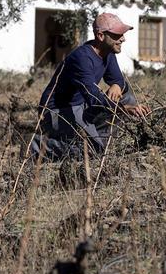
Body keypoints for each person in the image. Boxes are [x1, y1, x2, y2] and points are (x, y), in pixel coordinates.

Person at [30, 12, 150, 162]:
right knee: (93, 150)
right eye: (117, 35)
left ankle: (99, 141)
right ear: (100, 36)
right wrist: (124, 108)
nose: (123, 39)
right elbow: (93, 98)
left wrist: (117, 85)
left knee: (128, 98)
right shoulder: (82, 59)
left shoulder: (108, 52)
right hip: (56, 112)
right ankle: (36, 147)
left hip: (81, 106)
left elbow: (119, 80)